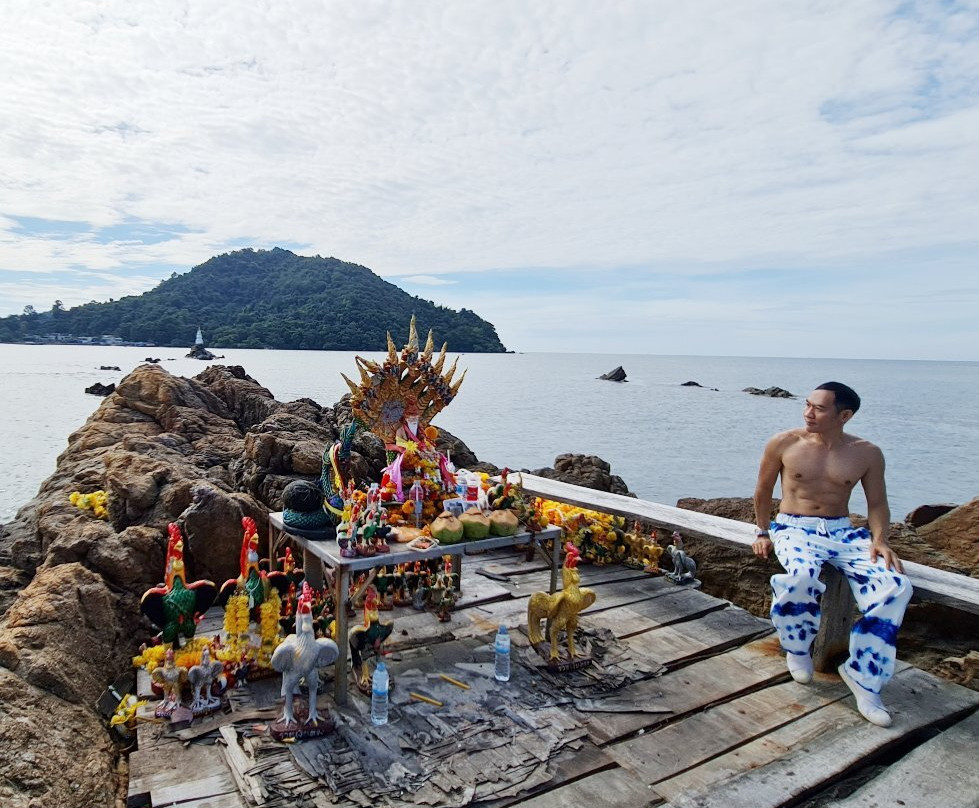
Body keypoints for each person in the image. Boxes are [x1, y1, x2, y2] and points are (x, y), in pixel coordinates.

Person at [752, 382, 912, 727]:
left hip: (842, 531)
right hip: (793, 527)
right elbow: (763, 491)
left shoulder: (867, 453)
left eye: (818, 408)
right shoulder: (785, 443)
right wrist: (763, 532)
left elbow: (878, 504)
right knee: (800, 577)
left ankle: (864, 677)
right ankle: (797, 647)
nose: (808, 413)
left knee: (895, 586)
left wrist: (880, 539)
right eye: (807, 405)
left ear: (845, 415)